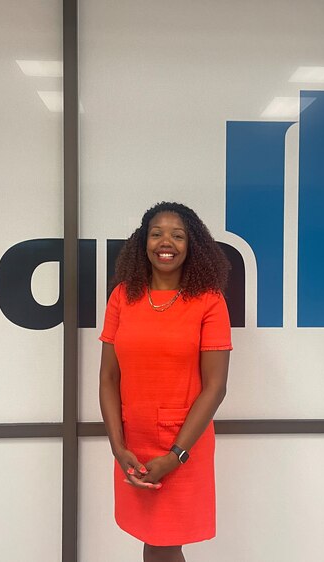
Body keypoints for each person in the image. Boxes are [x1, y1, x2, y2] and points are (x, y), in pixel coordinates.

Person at [98, 201, 232, 562]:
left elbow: (215, 388)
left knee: (164, 543)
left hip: (183, 444)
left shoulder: (209, 301)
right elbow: (108, 378)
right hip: (133, 446)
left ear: (192, 246)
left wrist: (177, 456)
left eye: (177, 235)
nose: (165, 242)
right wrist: (117, 447)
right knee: (154, 541)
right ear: (143, 242)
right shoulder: (123, 297)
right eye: (156, 234)